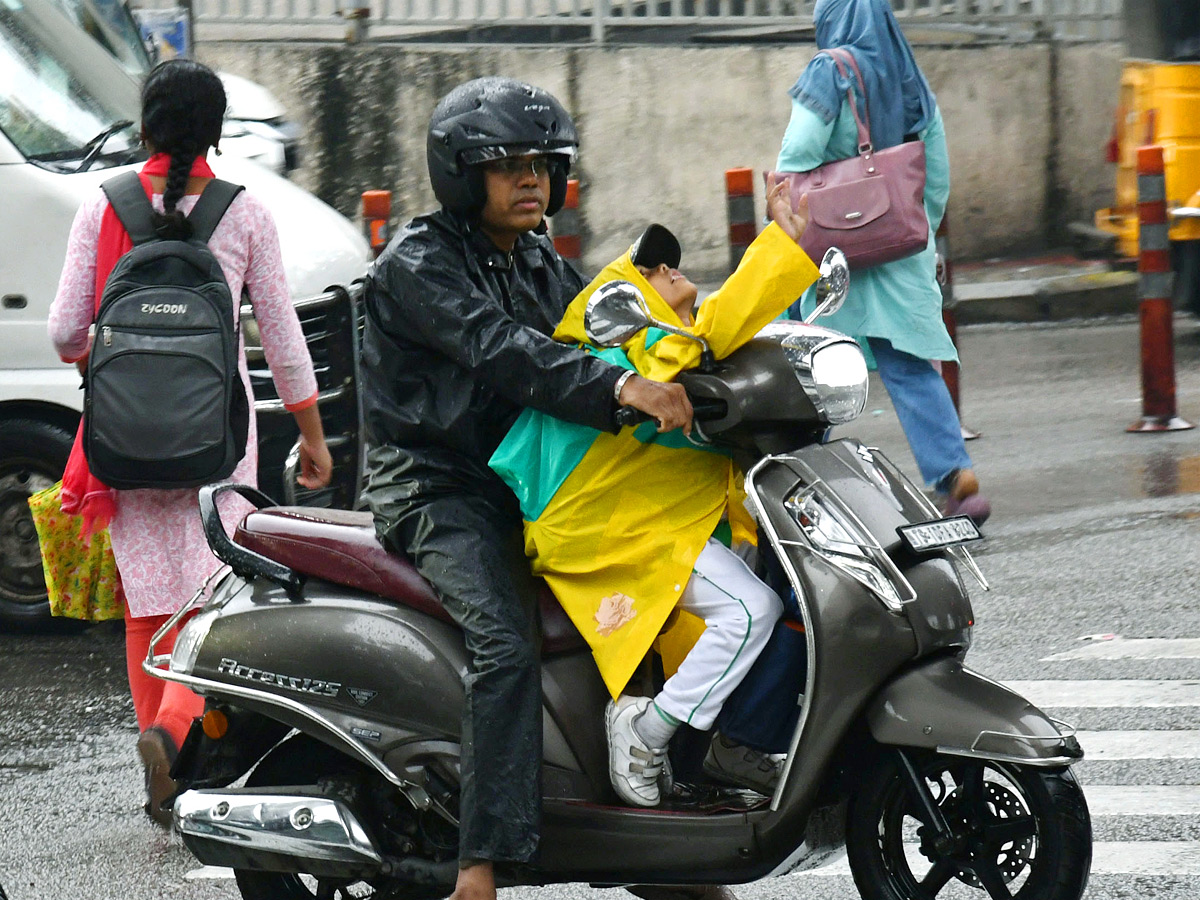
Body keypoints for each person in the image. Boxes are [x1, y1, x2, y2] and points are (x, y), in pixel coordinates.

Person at [359, 76, 692, 900]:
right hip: (437, 486)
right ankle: (482, 862)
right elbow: (507, 351)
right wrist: (618, 392)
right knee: (505, 644)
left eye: (541, 162)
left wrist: (677, 327)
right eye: (506, 165)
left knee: (646, 604)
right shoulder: (419, 263)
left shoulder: (538, 258)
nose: (530, 179)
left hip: (532, 479)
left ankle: (660, 848)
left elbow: (591, 332)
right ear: (462, 175)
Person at [48, 59, 333, 827]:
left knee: (149, 608)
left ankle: (161, 769)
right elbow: (282, 340)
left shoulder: (99, 205)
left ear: (144, 128)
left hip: (121, 437)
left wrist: (117, 372)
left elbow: (64, 331)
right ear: (216, 133)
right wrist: (312, 437)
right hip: (220, 437)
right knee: (213, 604)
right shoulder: (245, 214)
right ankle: (174, 738)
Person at [489, 177, 818, 806]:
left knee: (788, 583)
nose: (670, 270)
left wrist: (783, 242)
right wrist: (777, 249)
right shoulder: (608, 328)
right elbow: (687, 345)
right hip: (604, 528)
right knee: (751, 609)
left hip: (657, 521)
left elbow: (707, 333)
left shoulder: (671, 342)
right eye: (654, 266)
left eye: (675, 265)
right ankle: (647, 729)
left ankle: (735, 741)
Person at [777, 0, 990, 525]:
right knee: (909, 366)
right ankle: (954, 475)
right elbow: (934, 168)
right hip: (897, 247)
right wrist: (910, 228)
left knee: (812, 362)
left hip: (835, 252)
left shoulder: (831, 70)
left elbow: (798, 152)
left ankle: (795, 481)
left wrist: (792, 202)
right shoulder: (907, 74)